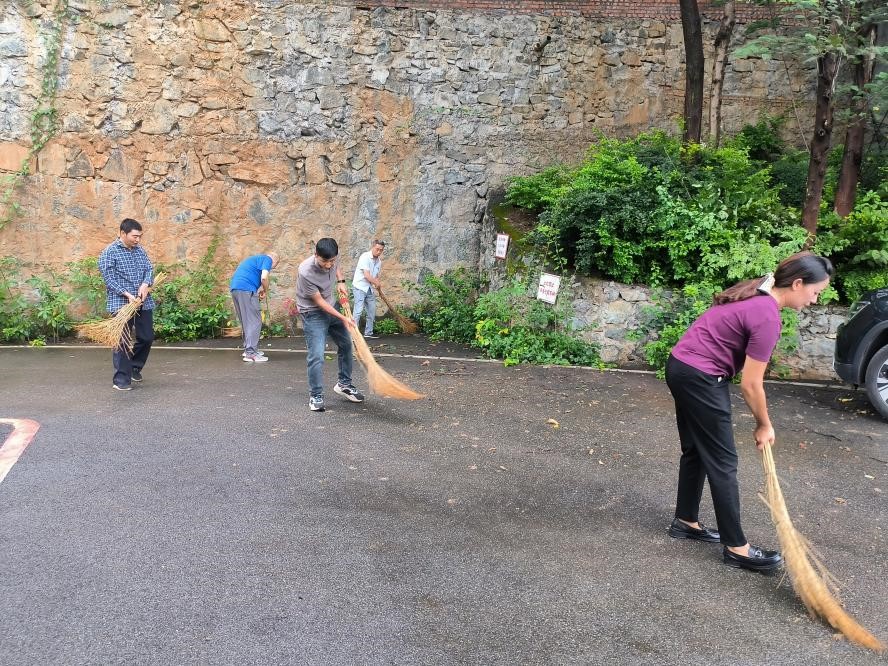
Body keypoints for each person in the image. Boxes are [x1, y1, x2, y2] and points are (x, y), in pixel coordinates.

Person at [665, 251, 834, 573]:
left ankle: (686, 521)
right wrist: (763, 425)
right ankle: (737, 548)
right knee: (723, 462)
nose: (814, 301)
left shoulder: (757, 293)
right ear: (798, 284)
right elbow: (751, 385)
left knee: (697, 450)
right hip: (701, 377)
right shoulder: (767, 315)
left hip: (681, 366)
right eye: (815, 293)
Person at [296, 238, 365, 412]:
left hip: (332, 306)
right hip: (313, 313)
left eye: (331, 261)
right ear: (316, 255)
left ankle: (344, 384)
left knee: (346, 345)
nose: (328, 265)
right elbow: (319, 302)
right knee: (317, 355)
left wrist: (341, 282)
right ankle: (316, 395)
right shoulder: (305, 271)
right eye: (324, 261)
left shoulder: (333, 258)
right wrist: (343, 318)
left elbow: (336, 268)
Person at [97, 218, 156, 391]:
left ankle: (134, 367)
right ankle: (121, 380)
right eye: (134, 236)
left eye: (139, 236)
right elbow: (109, 279)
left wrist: (145, 284)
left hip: (143, 301)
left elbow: (149, 269)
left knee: (147, 337)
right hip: (121, 303)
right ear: (123, 233)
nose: (138, 240)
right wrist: (127, 294)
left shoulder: (140, 250)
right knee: (122, 341)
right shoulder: (109, 252)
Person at [230, 251, 280, 363]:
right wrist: (265, 290)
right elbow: (264, 278)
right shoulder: (267, 259)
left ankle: (248, 350)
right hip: (246, 289)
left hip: (236, 289)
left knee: (246, 320)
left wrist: (260, 288)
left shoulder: (254, 259)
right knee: (255, 321)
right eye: (275, 266)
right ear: (275, 261)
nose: (272, 268)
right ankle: (251, 353)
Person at [351, 239, 385, 338]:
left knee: (371, 310)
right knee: (358, 311)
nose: (379, 252)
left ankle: (368, 333)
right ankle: (354, 334)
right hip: (359, 287)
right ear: (373, 247)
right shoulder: (365, 257)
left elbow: (376, 275)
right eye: (377, 249)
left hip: (369, 288)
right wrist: (376, 282)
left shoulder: (379, 262)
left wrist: (377, 284)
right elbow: (366, 275)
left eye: (381, 250)